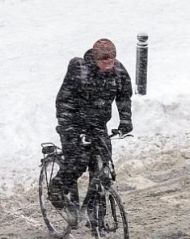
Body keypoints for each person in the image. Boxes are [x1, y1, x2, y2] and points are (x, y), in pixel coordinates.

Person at [50, 38, 133, 224]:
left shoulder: (118, 72)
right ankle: (57, 188)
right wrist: (70, 128)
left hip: (97, 126)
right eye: (105, 61)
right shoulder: (80, 71)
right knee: (78, 161)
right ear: (95, 59)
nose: (109, 65)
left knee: (102, 171)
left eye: (112, 60)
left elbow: (124, 96)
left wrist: (125, 119)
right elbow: (64, 101)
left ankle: (96, 217)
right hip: (73, 125)